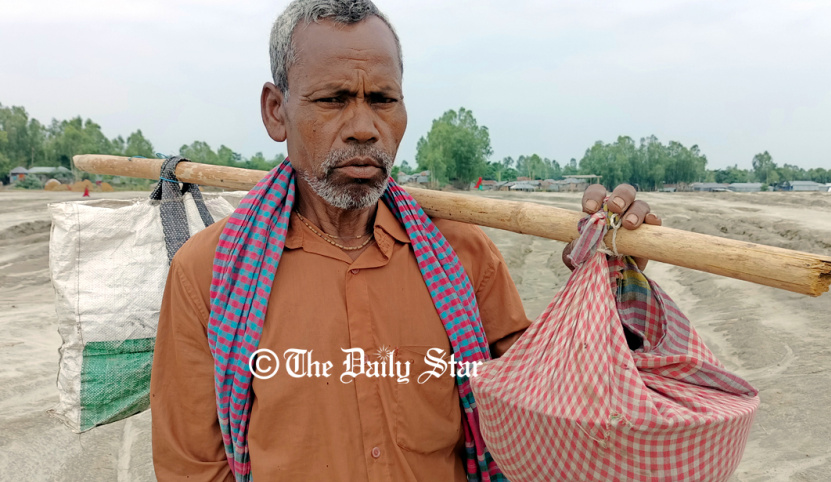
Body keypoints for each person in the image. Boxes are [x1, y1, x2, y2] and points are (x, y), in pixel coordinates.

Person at [150, 1, 660, 481]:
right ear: (275, 111)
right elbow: (193, 466)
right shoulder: (210, 273)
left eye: (382, 100)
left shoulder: (462, 256)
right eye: (333, 100)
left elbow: (549, 410)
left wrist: (611, 287)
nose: (364, 129)